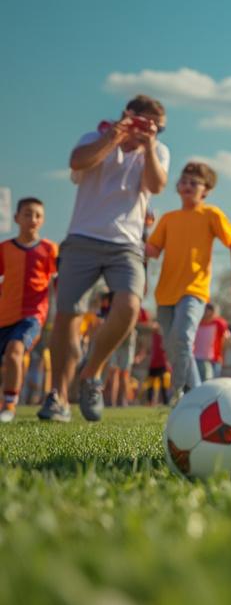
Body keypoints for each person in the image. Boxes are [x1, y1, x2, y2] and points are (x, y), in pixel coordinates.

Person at [43, 95, 169, 423]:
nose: (151, 129)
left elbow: (155, 185)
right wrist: (115, 136)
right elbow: (77, 162)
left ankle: (91, 372)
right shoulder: (94, 138)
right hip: (82, 239)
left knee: (129, 306)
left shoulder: (157, 151)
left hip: (126, 244)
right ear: (129, 115)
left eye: (159, 126)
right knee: (67, 317)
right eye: (145, 121)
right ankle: (57, 396)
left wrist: (150, 144)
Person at [144, 162, 231, 403]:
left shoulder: (211, 214)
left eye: (194, 182)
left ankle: (196, 396)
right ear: (177, 187)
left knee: (183, 338)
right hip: (165, 293)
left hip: (194, 291)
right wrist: (143, 228)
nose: (187, 186)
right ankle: (185, 392)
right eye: (184, 181)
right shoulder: (168, 219)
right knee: (172, 347)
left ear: (206, 190)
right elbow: (152, 251)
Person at [0, 197, 59, 422]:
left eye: (37, 215)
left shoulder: (49, 249)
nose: (32, 219)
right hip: (4, 315)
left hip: (32, 316)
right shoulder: (5, 249)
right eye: (27, 214)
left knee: (15, 351)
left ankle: (9, 405)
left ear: (43, 220)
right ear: (17, 218)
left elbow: (61, 279)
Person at [193, 303, 231, 382]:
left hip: (213, 360)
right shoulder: (195, 323)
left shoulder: (219, 324)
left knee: (211, 382)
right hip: (196, 359)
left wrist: (222, 357)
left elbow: (225, 341)